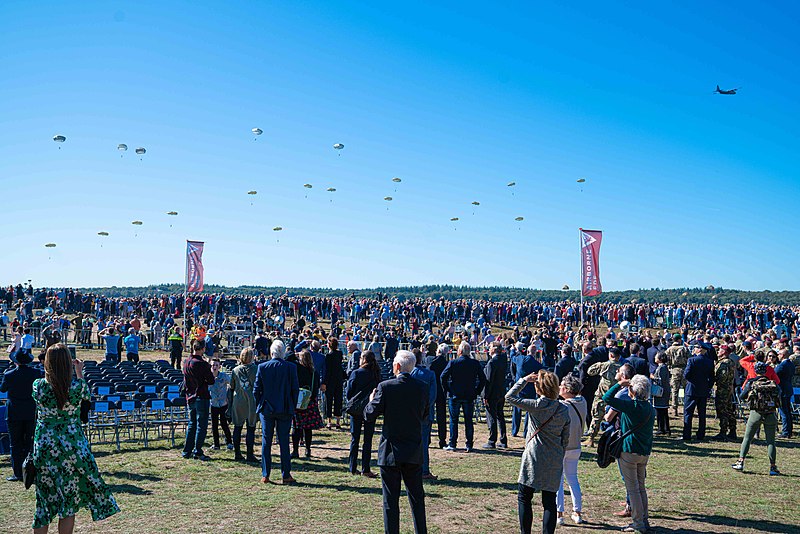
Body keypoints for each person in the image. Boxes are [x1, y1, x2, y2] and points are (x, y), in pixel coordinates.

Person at [31, 344, 120, 533]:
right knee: (68, 503)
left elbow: (49, 387)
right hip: (72, 447)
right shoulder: (78, 387)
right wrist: (79, 372)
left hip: (45, 447)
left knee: (44, 502)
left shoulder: (39, 386)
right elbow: (86, 397)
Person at [364, 350, 429, 534]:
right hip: (413, 449)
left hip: (391, 451)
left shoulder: (385, 387)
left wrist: (371, 400)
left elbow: (369, 415)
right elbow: (424, 414)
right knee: (417, 499)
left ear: (397, 366)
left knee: (390, 501)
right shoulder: (422, 387)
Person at [505, 370, 570, 534]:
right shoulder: (563, 410)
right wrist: (560, 452)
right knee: (549, 501)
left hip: (534, 456)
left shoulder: (535, 406)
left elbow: (509, 397)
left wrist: (523, 380)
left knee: (525, 497)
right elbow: (565, 438)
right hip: (554, 456)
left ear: (539, 388)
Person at [602, 374, 655, 534]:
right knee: (641, 487)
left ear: (632, 390)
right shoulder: (650, 409)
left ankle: (638, 524)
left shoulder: (631, 406)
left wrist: (619, 384)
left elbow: (607, 398)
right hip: (643, 452)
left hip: (629, 450)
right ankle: (644, 520)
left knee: (633, 489)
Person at [254, 339, 299, 484]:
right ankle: (286, 474)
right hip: (285, 408)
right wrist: (292, 405)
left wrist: (260, 403)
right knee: (284, 442)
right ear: (283, 352)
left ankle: (265, 474)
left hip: (267, 409)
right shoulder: (291, 367)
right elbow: (295, 390)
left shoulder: (262, 367)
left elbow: (256, 390)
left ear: (271, 352)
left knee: (266, 441)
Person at [0, 348, 43, 481]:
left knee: (15, 443)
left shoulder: (9, 374)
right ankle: (31, 470)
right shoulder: (36, 373)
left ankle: (18, 472)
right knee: (30, 442)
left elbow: (2, 388)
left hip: (14, 413)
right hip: (31, 412)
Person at [732, 361, 781, 475]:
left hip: (756, 413)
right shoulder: (772, 383)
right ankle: (773, 466)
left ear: (755, 371)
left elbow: (742, 396)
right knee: (771, 442)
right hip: (770, 413)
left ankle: (741, 461)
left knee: (747, 438)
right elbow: (779, 395)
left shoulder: (751, 383)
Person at [440, 341, 487, 452]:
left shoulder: (453, 363)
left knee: (454, 420)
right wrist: (477, 391)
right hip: (469, 395)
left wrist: (448, 389)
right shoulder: (475, 363)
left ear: (459, 351)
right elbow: (483, 379)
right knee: (468, 420)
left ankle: (452, 443)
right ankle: (469, 444)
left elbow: (443, 377)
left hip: (455, 394)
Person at [556, 374, 587, 526]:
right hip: (576, 446)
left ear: (567, 389)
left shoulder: (563, 406)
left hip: (563, 447)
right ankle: (577, 511)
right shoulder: (583, 401)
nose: (559, 387)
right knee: (573, 479)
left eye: (561, 385)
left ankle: (559, 513)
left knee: (559, 481)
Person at [346, 350, 380, 477]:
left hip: (356, 409)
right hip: (370, 408)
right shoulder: (376, 374)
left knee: (355, 439)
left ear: (364, 359)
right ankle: (366, 468)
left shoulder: (357, 373)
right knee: (368, 439)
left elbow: (349, 391)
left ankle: (353, 467)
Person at [182, 338, 215, 461]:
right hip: (201, 395)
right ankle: (198, 451)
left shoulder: (186, 361)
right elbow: (211, 380)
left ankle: (187, 450)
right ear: (203, 349)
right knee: (201, 425)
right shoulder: (202, 364)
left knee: (192, 424)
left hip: (190, 396)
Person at [410, 348, 437, 479]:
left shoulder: (408, 374)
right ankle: (424, 470)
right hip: (425, 413)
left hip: (411, 413)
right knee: (424, 443)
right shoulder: (429, 374)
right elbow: (432, 396)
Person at [292, 349, 324, 459]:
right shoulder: (314, 372)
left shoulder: (297, 369)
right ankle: (308, 449)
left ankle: (295, 450)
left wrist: (295, 354)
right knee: (308, 428)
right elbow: (316, 389)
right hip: (310, 401)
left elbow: (288, 358)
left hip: (298, 401)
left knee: (296, 427)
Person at [230, 347, 259, 462]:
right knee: (250, 428)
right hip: (251, 401)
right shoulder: (256, 369)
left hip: (238, 400)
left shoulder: (235, 370)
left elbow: (231, 386)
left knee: (237, 427)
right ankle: (250, 454)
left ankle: (237, 453)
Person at [682, 344, 715, 442]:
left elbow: (686, 374)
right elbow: (712, 378)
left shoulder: (692, 360)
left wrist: (692, 381)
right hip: (703, 390)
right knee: (702, 414)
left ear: (699, 349)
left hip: (692, 389)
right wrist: (707, 387)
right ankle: (701, 434)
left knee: (688, 413)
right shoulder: (709, 362)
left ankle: (687, 435)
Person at [511, 343, 544, 437]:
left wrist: (514, 349)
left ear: (527, 351)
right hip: (531, 390)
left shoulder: (521, 359)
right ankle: (526, 432)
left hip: (519, 389)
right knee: (529, 412)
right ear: (535, 353)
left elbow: (512, 356)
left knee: (516, 410)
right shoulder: (538, 365)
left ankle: (514, 431)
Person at [481, 341, 508, 449]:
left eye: (490, 346)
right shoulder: (503, 360)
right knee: (500, 416)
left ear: (494, 349)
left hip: (492, 393)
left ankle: (492, 440)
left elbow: (489, 380)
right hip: (501, 391)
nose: (488, 347)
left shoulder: (492, 362)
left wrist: (485, 396)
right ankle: (503, 439)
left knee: (492, 416)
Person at [712, 345, 737, 440]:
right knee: (729, 410)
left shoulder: (725, 363)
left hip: (723, 389)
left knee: (722, 410)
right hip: (728, 388)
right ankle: (732, 430)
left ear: (724, 352)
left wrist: (714, 379)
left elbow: (722, 377)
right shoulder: (730, 362)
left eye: (720, 350)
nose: (718, 351)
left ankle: (723, 431)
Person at [208, 358, 233, 451]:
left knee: (224, 424)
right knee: (214, 425)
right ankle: (216, 444)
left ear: (219, 367)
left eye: (216, 365)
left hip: (223, 404)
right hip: (213, 404)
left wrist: (228, 395)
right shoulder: (208, 377)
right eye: (212, 365)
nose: (214, 367)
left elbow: (231, 384)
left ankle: (229, 443)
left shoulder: (224, 376)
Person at [428, 344, 450, 448]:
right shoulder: (446, 363)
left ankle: (427, 438)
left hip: (432, 390)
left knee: (429, 415)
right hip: (442, 391)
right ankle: (442, 440)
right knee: (441, 417)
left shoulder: (432, 363)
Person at [665, 334, 689, 417]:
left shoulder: (669, 350)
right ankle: (686, 407)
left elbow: (666, 360)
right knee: (686, 390)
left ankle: (674, 409)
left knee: (674, 390)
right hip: (684, 369)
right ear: (679, 340)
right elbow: (689, 358)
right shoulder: (684, 348)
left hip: (674, 370)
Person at [324, 337, 345, 429]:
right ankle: (337, 421)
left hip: (330, 380)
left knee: (329, 400)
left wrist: (324, 382)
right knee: (338, 400)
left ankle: (329, 421)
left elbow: (328, 370)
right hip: (339, 379)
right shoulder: (340, 354)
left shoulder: (328, 356)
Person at [775, 349, 795, 438]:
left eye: (779, 354)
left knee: (783, 412)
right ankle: (789, 430)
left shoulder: (782, 365)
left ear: (782, 355)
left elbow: (774, 373)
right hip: (788, 388)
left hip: (783, 390)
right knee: (788, 411)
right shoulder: (791, 364)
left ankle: (786, 431)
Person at [651, 351, 671, 435]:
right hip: (662, 391)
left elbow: (661, 380)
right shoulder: (661, 367)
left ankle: (661, 428)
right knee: (662, 410)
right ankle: (665, 428)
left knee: (660, 410)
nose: (655, 358)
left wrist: (652, 377)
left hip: (661, 392)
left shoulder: (662, 367)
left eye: (656, 356)